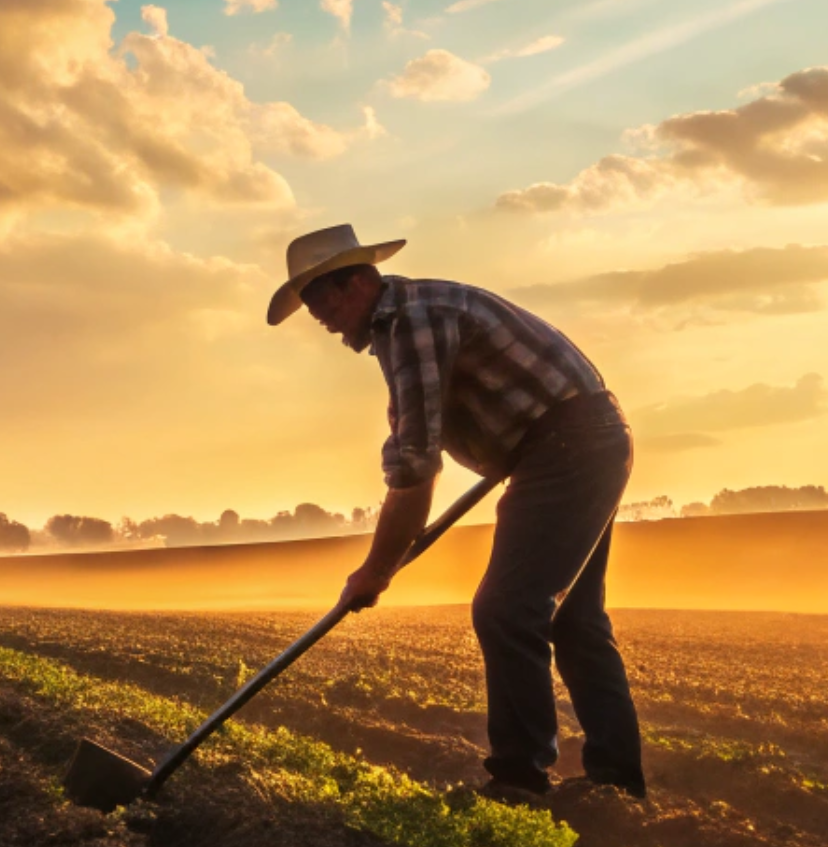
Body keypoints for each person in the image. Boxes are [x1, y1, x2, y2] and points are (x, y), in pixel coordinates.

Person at [269, 222, 646, 802]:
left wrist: (375, 570)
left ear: (360, 281)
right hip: (575, 442)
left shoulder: (411, 322)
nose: (320, 315)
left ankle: (520, 779)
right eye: (310, 302)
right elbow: (419, 441)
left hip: (568, 446)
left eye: (324, 298)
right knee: (575, 621)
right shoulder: (408, 318)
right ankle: (616, 783)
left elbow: (416, 466)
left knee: (506, 608)